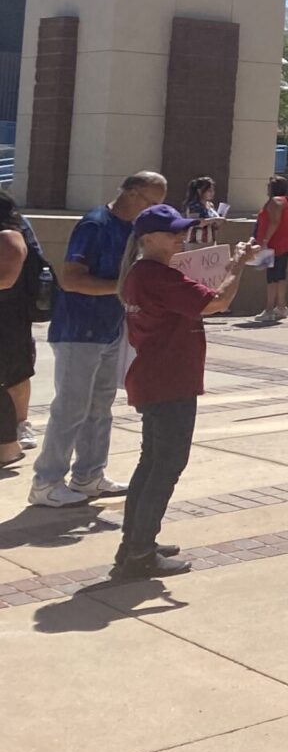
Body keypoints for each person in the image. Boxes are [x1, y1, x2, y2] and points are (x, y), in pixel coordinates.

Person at [113, 207, 251, 579]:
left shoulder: (141, 274)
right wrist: (237, 265)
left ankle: (134, 542)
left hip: (155, 379)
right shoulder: (156, 276)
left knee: (151, 463)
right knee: (166, 466)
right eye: (171, 232)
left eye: (181, 231)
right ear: (148, 239)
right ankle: (140, 553)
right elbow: (217, 302)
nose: (180, 237)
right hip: (169, 382)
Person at [31, 171, 165, 509]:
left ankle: (89, 475)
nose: (151, 212)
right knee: (71, 407)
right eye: (151, 203)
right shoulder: (95, 224)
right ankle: (46, 481)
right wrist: (123, 288)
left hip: (108, 329)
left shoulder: (133, 230)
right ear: (132, 193)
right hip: (79, 330)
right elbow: (71, 279)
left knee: (99, 406)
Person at [0, 192, 46, 469]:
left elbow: (7, 279)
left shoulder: (9, 236)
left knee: (13, 376)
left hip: (9, 317)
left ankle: (15, 434)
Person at [247, 176, 288, 327]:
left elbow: (274, 222)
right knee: (281, 274)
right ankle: (281, 306)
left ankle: (269, 309)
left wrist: (264, 241)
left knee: (271, 276)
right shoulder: (287, 201)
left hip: (275, 242)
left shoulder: (275, 201)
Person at [182, 176, 225, 246]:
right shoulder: (194, 205)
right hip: (196, 243)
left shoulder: (210, 205)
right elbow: (195, 222)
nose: (212, 193)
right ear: (199, 191)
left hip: (210, 242)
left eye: (213, 190)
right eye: (209, 191)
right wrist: (214, 220)